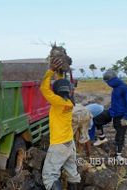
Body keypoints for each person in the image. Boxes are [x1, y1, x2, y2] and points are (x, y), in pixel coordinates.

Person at [40, 58, 80, 190]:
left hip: (58, 145)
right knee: (72, 174)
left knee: (49, 177)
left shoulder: (58, 102)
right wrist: (60, 73)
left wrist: (50, 71)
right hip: (69, 144)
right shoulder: (69, 102)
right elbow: (63, 85)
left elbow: (44, 89)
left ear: (57, 91)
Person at [92, 70, 127, 161]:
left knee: (120, 135)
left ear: (112, 79)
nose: (107, 84)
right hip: (112, 112)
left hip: (122, 116)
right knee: (97, 119)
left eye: (107, 82)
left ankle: (119, 155)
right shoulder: (115, 87)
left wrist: (126, 117)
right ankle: (102, 138)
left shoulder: (124, 87)